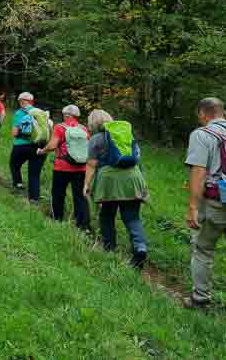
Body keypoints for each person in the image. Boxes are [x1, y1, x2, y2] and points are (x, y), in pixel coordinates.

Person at [184, 97, 226, 308]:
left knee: (203, 249)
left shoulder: (201, 135)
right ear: (224, 113)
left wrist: (192, 207)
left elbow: (199, 171)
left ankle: (200, 299)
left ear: (202, 114)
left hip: (215, 205)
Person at [84, 109, 149, 269]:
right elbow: (137, 159)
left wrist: (86, 184)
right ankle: (140, 247)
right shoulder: (127, 135)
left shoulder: (96, 139)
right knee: (132, 217)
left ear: (92, 123)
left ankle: (109, 249)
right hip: (133, 178)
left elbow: (91, 165)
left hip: (109, 182)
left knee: (107, 215)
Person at [38, 105, 91, 232]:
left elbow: (52, 145)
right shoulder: (84, 129)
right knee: (80, 196)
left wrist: (42, 151)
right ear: (77, 116)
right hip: (81, 168)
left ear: (65, 115)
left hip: (62, 167)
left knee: (58, 193)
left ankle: (58, 218)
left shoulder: (60, 127)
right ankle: (83, 225)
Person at [10, 92, 47, 204]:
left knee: (14, 164)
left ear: (21, 101)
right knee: (34, 173)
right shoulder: (40, 113)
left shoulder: (19, 113)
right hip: (40, 146)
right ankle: (34, 198)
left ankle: (18, 183)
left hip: (22, 146)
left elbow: (15, 133)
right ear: (32, 101)